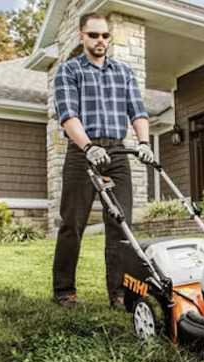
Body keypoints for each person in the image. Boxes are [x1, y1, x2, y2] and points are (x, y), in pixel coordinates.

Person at [51, 11, 154, 309]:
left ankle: (119, 293)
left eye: (105, 35)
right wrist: (87, 147)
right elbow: (68, 115)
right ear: (82, 36)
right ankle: (64, 290)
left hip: (117, 154)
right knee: (73, 223)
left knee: (121, 225)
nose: (100, 40)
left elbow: (138, 112)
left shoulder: (123, 73)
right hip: (82, 153)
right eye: (94, 35)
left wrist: (144, 142)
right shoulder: (69, 71)